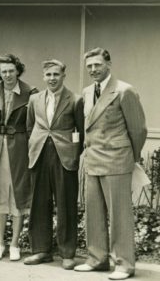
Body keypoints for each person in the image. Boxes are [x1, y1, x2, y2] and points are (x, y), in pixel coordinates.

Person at [74, 48, 147, 280]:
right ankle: (97, 258)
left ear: (109, 64)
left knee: (119, 215)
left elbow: (138, 130)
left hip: (116, 159)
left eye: (97, 65)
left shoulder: (124, 91)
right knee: (93, 212)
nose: (93, 70)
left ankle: (124, 263)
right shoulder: (87, 92)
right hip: (93, 158)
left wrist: (130, 157)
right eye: (89, 66)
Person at [24, 60, 84, 270]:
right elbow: (30, 127)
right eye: (48, 75)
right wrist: (36, 145)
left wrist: (74, 154)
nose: (52, 78)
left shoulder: (75, 100)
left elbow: (80, 132)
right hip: (39, 154)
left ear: (63, 76)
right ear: (43, 76)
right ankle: (41, 250)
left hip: (64, 157)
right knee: (39, 203)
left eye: (56, 74)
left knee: (65, 203)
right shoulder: (34, 99)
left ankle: (67, 253)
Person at [0, 54, 37, 262]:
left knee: (18, 195)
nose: (8, 75)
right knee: (0, 194)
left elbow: (35, 126)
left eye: (11, 70)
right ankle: (0, 243)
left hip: (20, 147)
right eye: (4, 71)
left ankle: (15, 244)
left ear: (18, 71)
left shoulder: (31, 93)